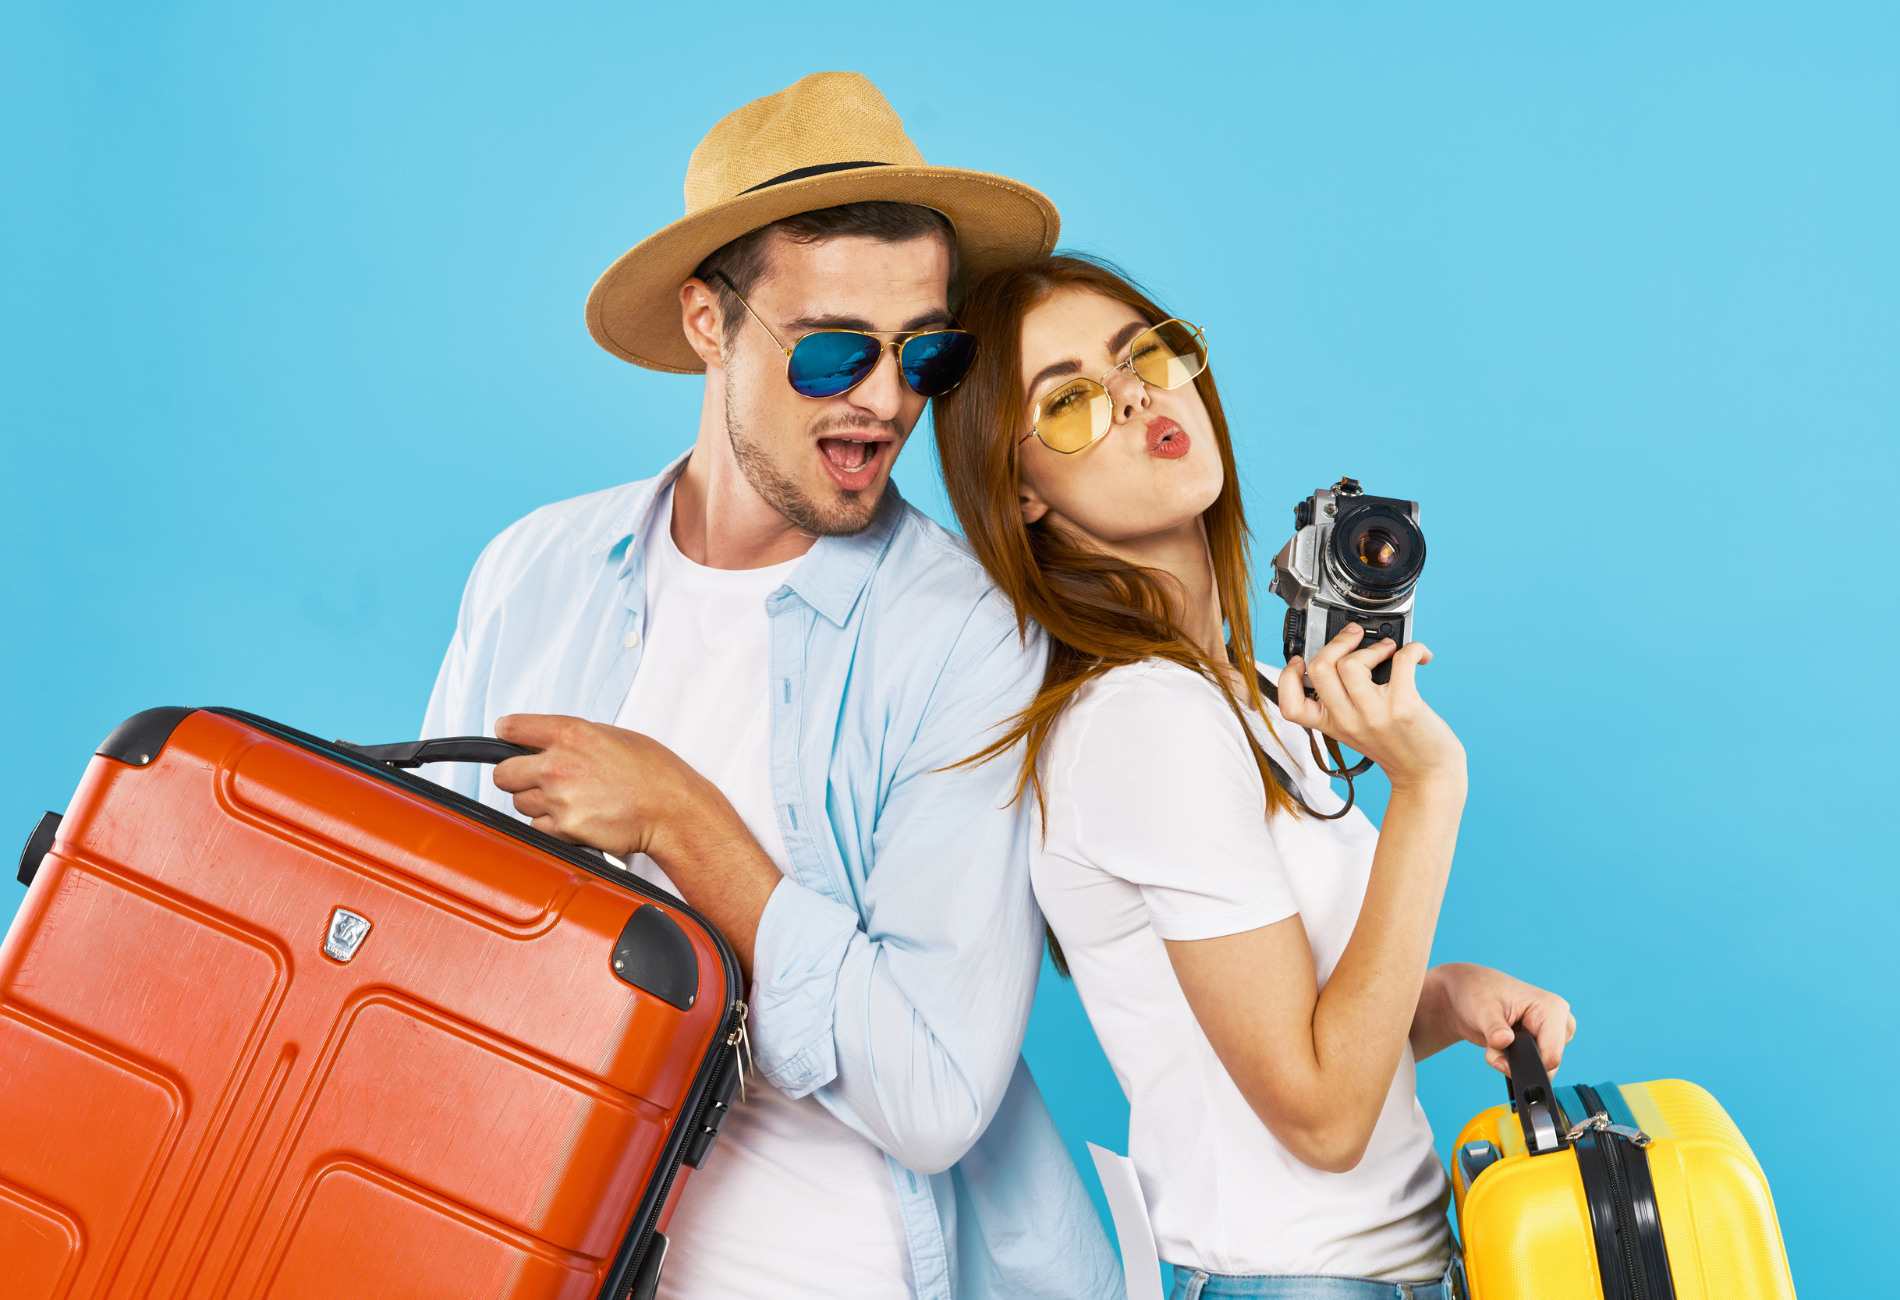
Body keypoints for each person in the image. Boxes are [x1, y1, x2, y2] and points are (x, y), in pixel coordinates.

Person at [420, 75, 1120, 1300]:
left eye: (929, 352)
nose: (887, 398)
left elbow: (936, 1094)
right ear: (708, 322)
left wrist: (686, 824)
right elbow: (435, 950)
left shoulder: (963, 642)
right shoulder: (531, 571)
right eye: (836, 348)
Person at [932, 254, 1577, 1300]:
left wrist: (1444, 1002)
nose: (1137, 393)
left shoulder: (1246, 694)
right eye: (1068, 403)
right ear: (1021, 493)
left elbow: (1292, 1041)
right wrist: (1426, 789)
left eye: (1141, 353)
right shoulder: (1145, 718)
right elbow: (1322, 1115)